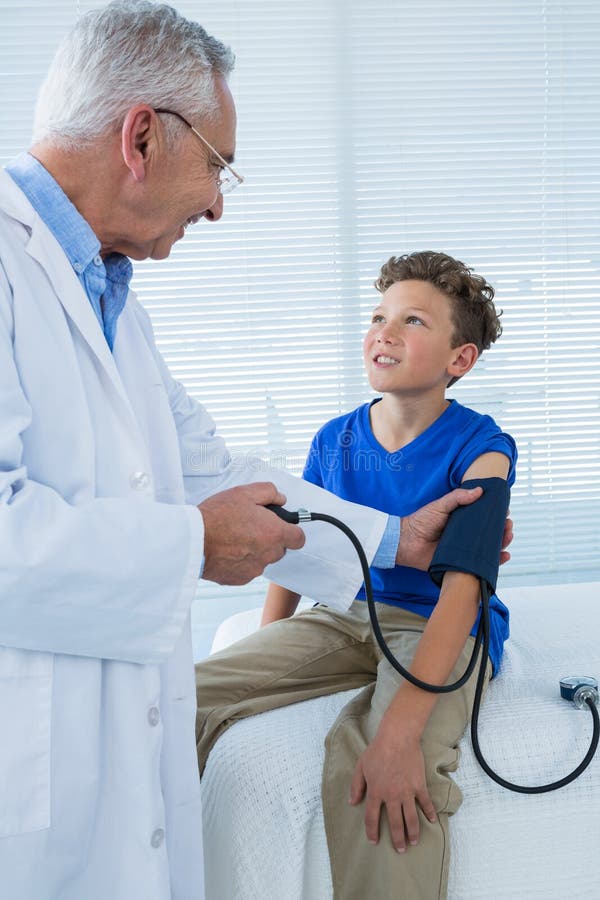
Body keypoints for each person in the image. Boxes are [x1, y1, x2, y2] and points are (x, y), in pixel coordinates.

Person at [0, 4, 510, 900]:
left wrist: (398, 539)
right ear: (142, 137)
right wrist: (195, 547)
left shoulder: (110, 301)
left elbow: (216, 471)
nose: (218, 203)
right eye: (217, 164)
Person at [195, 250, 517, 900]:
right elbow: (298, 546)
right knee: (182, 700)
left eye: (413, 320)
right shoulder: (334, 439)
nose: (385, 331)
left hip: (435, 625)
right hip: (342, 615)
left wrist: (398, 734)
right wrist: (268, 644)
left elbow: (464, 588)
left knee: (379, 768)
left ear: (460, 359)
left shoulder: (484, 450)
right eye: (378, 316)